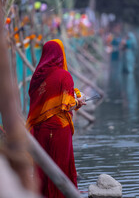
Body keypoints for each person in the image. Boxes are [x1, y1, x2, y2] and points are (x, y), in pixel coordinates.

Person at [26, 39, 86, 198]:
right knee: (60, 165)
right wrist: (78, 102)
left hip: (39, 129)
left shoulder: (36, 77)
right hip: (59, 128)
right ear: (60, 54)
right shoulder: (64, 76)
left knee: (42, 167)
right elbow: (67, 104)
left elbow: (37, 102)